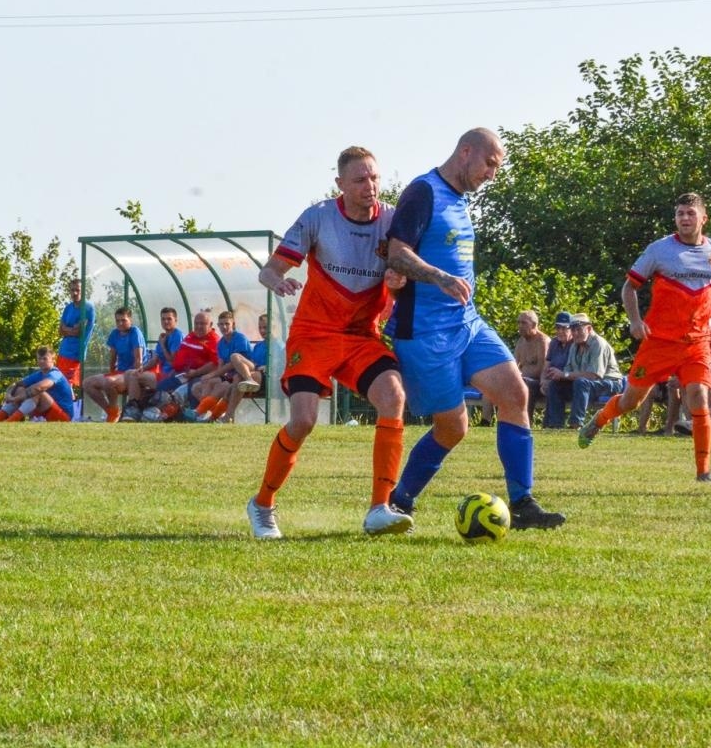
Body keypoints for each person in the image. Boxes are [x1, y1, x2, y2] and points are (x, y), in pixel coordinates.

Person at [381, 128, 565, 529]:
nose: (492, 174)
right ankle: (400, 500)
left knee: (515, 394)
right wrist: (439, 277)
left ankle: (523, 504)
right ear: (466, 152)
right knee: (453, 428)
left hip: (467, 322)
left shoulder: (461, 201)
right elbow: (397, 254)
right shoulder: (423, 192)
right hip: (425, 332)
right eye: (490, 164)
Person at [246, 145, 414, 539]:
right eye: (360, 179)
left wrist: (398, 281)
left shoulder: (393, 221)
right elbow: (269, 270)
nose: (370, 186)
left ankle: (379, 508)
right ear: (340, 184)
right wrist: (277, 281)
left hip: (361, 337)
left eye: (374, 177)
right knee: (303, 421)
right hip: (314, 335)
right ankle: (262, 505)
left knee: (393, 397)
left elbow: (405, 275)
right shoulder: (318, 217)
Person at [578, 193, 711, 485]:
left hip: (696, 343)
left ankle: (704, 472)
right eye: (680, 214)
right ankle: (600, 419)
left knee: (699, 395)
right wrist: (635, 321)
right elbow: (629, 287)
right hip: (659, 342)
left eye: (690, 213)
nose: (685, 218)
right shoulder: (659, 250)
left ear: (703, 218)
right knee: (631, 401)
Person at [188, 309, 254, 421]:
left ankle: (201, 412)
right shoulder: (221, 343)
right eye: (221, 324)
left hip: (243, 372)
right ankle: (211, 413)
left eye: (227, 324)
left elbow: (233, 364)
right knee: (197, 387)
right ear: (218, 325)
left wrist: (212, 375)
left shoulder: (240, 338)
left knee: (222, 382)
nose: (224, 327)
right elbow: (221, 365)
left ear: (233, 324)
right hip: (229, 376)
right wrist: (213, 378)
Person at [83, 306, 146, 422]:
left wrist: (136, 380)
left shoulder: (135, 332)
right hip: (119, 373)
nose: (120, 323)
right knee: (87, 383)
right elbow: (113, 358)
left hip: (131, 374)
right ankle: (112, 412)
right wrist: (111, 373)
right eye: (118, 321)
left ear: (130, 320)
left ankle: (117, 414)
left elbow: (138, 359)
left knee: (109, 382)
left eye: (123, 320)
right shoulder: (114, 334)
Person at [564, 313, 626, 427]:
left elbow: (593, 376)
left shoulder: (598, 344)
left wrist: (566, 375)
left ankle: (576, 423)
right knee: (555, 386)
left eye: (579, 329)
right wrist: (558, 376)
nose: (575, 333)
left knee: (581, 383)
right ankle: (553, 424)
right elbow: (567, 369)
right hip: (587, 384)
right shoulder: (574, 346)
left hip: (610, 384)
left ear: (589, 328)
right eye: (572, 330)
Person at [0, 345, 74, 422]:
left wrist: (17, 398)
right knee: (19, 389)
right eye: (39, 359)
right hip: (44, 412)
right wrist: (8, 394)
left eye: (45, 359)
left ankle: (11, 421)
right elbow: (16, 384)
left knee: (37, 392)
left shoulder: (55, 374)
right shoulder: (39, 374)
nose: (41, 361)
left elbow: (39, 388)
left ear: (53, 360)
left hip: (63, 416)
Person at [126, 305, 184, 410]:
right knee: (131, 373)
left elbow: (173, 361)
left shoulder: (177, 335)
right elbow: (155, 360)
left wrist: (163, 345)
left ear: (176, 320)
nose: (166, 321)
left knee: (134, 376)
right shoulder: (163, 336)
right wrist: (142, 368)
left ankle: (133, 408)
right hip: (161, 374)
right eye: (163, 319)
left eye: (169, 319)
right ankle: (138, 405)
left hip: (171, 377)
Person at [539, 312, 579, 428]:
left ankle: (555, 424)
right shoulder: (554, 343)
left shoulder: (576, 344)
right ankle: (524, 423)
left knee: (554, 387)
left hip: (570, 382)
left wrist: (558, 377)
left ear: (571, 329)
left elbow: (575, 369)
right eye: (558, 328)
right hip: (553, 380)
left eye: (564, 328)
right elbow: (546, 365)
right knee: (528, 385)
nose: (560, 331)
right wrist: (543, 381)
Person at [56, 278, 95, 390]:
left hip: (76, 353)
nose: (75, 293)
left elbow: (78, 331)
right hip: (63, 351)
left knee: (67, 384)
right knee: (60, 383)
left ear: (83, 290)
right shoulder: (68, 308)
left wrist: (66, 329)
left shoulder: (88, 308)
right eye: (72, 290)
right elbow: (60, 330)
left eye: (77, 290)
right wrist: (70, 329)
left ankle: (70, 402)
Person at [513, 310, 549, 408]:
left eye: (524, 323)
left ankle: (525, 417)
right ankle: (488, 418)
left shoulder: (542, 341)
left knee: (524, 384)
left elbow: (542, 369)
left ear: (534, 325)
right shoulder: (521, 341)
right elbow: (514, 365)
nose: (520, 326)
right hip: (522, 380)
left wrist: (520, 376)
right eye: (519, 323)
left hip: (538, 384)